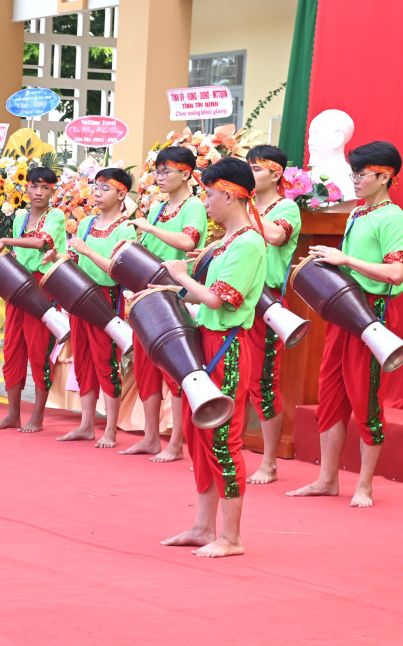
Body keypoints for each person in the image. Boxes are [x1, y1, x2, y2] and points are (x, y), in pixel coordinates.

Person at [288, 141, 403, 507]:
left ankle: (365, 485)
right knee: (330, 392)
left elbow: (396, 273)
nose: (354, 180)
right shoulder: (357, 212)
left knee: (365, 395)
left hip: (373, 313)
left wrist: (346, 260)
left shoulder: (393, 216)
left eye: (360, 174)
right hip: (344, 309)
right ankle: (327, 479)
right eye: (352, 173)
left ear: (385, 177)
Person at [161, 157, 266, 557]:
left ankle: (231, 536)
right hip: (205, 342)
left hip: (228, 349)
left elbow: (218, 299)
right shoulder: (225, 241)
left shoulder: (250, 242)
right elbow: (201, 299)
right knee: (198, 435)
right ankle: (205, 527)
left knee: (224, 438)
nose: (205, 202)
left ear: (229, 194)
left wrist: (181, 277)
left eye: (208, 193)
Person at [120, 147, 207, 461]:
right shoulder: (157, 207)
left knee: (175, 370)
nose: (159, 177)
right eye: (156, 171)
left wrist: (147, 226)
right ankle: (151, 437)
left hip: (172, 293)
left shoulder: (194, 205)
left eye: (165, 171)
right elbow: (148, 245)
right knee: (146, 369)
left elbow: (188, 242)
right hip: (145, 293)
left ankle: (177, 443)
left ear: (185, 174)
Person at [0, 166, 67, 434]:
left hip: (42, 288)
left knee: (39, 351)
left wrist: (2, 241)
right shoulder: (20, 219)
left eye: (45, 188)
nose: (38, 192)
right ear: (25, 188)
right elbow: (16, 257)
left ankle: (37, 417)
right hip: (17, 287)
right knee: (12, 349)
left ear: (53, 191)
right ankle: (12, 414)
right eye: (34, 186)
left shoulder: (57, 215)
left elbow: (42, 243)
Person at [50, 168, 136, 447]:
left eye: (104, 188)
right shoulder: (86, 222)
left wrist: (87, 251)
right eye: (95, 187)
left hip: (105, 298)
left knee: (105, 360)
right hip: (79, 295)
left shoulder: (126, 228)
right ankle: (86, 424)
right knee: (83, 360)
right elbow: (75, 256)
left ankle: (110, 429)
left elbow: (116, 271)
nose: (97, 193)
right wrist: (58, 256)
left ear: (121, 194)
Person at [244, 145, 301, 484]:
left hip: (266, 302)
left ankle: (269, 462)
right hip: (236, 299)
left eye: (256, 169)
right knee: (232, 377)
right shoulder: (247, 207)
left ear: (277, 174)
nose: (250, 176)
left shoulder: (287, 207)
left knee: (263, 382)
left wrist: (245, 208)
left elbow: (277, 235)